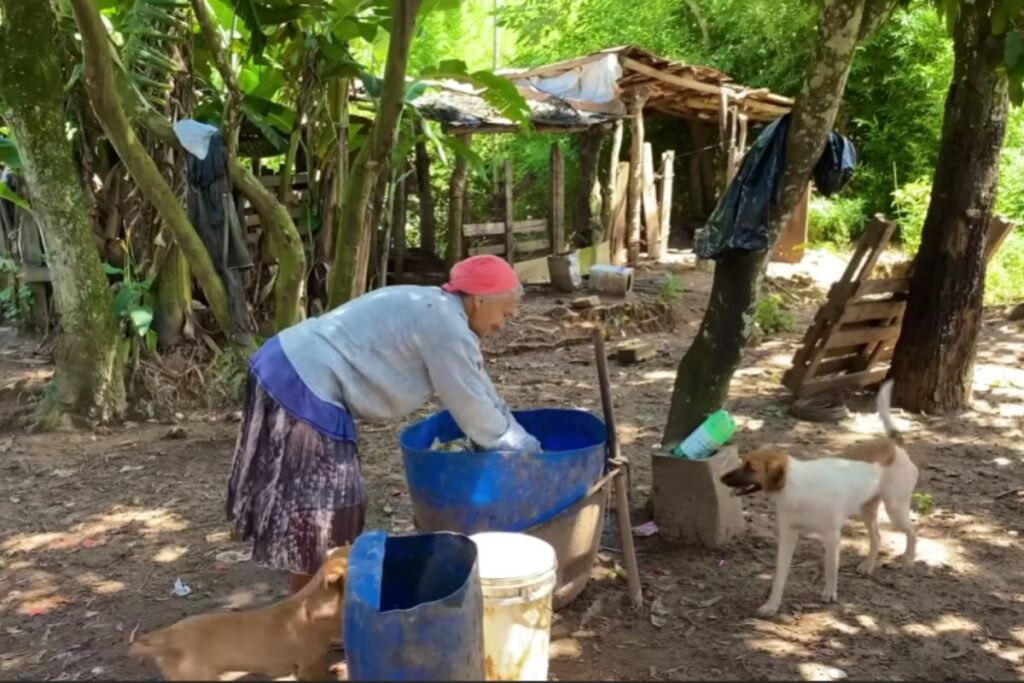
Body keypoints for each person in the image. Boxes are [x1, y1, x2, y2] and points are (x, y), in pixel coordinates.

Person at [226, 254, 541, 593]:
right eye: (505, 314)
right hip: (302, 379)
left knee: (320, 498)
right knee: (326, 501)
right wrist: (521, 448)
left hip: (285, 362)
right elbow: (472, 405)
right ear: (479, 301)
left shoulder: (434, 306)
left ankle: (313, 597)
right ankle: (311, 611)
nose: (502, 324)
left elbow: (477, 384)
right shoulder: (445, 326)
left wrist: (512, 429)